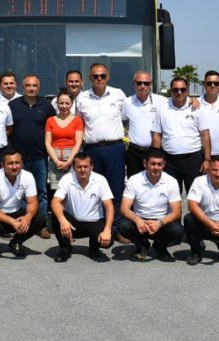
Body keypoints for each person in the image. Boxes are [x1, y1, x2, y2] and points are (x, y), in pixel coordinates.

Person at [75, 63, 127, 241]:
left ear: (108, 77)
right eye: (95, 76)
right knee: (94, 189)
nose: (99, 79)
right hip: (93, 150)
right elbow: (79, 124)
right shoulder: (82, 98)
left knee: (116, 190)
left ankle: (116, 229)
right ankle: (98, 228)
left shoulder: (118, 95)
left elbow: (127, 118)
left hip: (115, 149)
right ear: (90, 78)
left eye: (102, 76)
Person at [119, 148, 183, 262]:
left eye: (159, 164)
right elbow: (124, 208)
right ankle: (142, 244)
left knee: (177, 230)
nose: (156, 167)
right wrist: (137, 220)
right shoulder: (134, 180)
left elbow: (176, 212)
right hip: (140, 222)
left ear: (164, 164)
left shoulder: (171, 181)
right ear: (145, 163)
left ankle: (160, 246)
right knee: (123, 226)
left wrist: (159, 223)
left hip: (161, 222)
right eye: (153, 164)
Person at [0, 148, 46, 259]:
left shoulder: (28, 176)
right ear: (2, 165)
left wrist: (28, 217)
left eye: (17, 163)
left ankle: (16, 242)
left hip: (15, 211)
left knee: (40, 219)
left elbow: (32, 202)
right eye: (10, 163)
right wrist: (12, 222)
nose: (15, 166)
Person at [152, 77, 211, 194]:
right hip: (169, 161)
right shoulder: (162, 109)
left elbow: (205, 135)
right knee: (171, 196)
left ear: (187, 90)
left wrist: (207, 159)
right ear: (171, 91)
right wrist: (155, 159)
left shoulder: (197, 108)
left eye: (182, 89)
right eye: (175, 90)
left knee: (195, 195)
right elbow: (157, 135)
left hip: (193, 160)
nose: (179, 92)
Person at [50, 153, 113, 263]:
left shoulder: (100, 180)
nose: (82, 170)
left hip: (94, 222)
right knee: (56, 215)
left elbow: (109, 206)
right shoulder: (67, 178)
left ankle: (94, 248)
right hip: (72, 224)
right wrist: (63, 220)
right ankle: (65, 249)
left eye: (85, 166)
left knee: (109, 241)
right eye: (79, 167)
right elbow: (55, 202)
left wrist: (107, 230)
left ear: (91, 167)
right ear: (74, 168)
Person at [8, 74, 55, 219]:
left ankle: (41, 223)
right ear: (23, 87)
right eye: (28, 85)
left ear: (39, 87)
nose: (31, 88)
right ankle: (22, 222)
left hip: (40, 157)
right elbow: (7, 130)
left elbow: (52, 129)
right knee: (20, 192)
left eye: (34, 85)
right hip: (18, 158)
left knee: (41, 191)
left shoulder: (47, 106)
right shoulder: (13, 105)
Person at [122, 70, 166, 177]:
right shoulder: (127, 102)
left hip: (155, 151)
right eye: (139, 83)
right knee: (133, 182)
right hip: (134, 152)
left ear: (150, 84)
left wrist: (192, 100)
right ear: (134, 84)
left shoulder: (162, 101)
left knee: (155, 182)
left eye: (146, 83)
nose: (142, 86)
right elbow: (123, 122)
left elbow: (178, 102)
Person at [45, 88, 84, 194]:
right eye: (61, 103)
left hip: (72, 157)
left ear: (72, 104)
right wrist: (56, 161)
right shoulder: (50, 120)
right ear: (57, 104)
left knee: (73, 189)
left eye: (67, 103)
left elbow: (78, 142)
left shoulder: (77, 120)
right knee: (57, 191)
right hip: (55, 158)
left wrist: (69, 161)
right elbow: (47, 143)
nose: (64, 106)